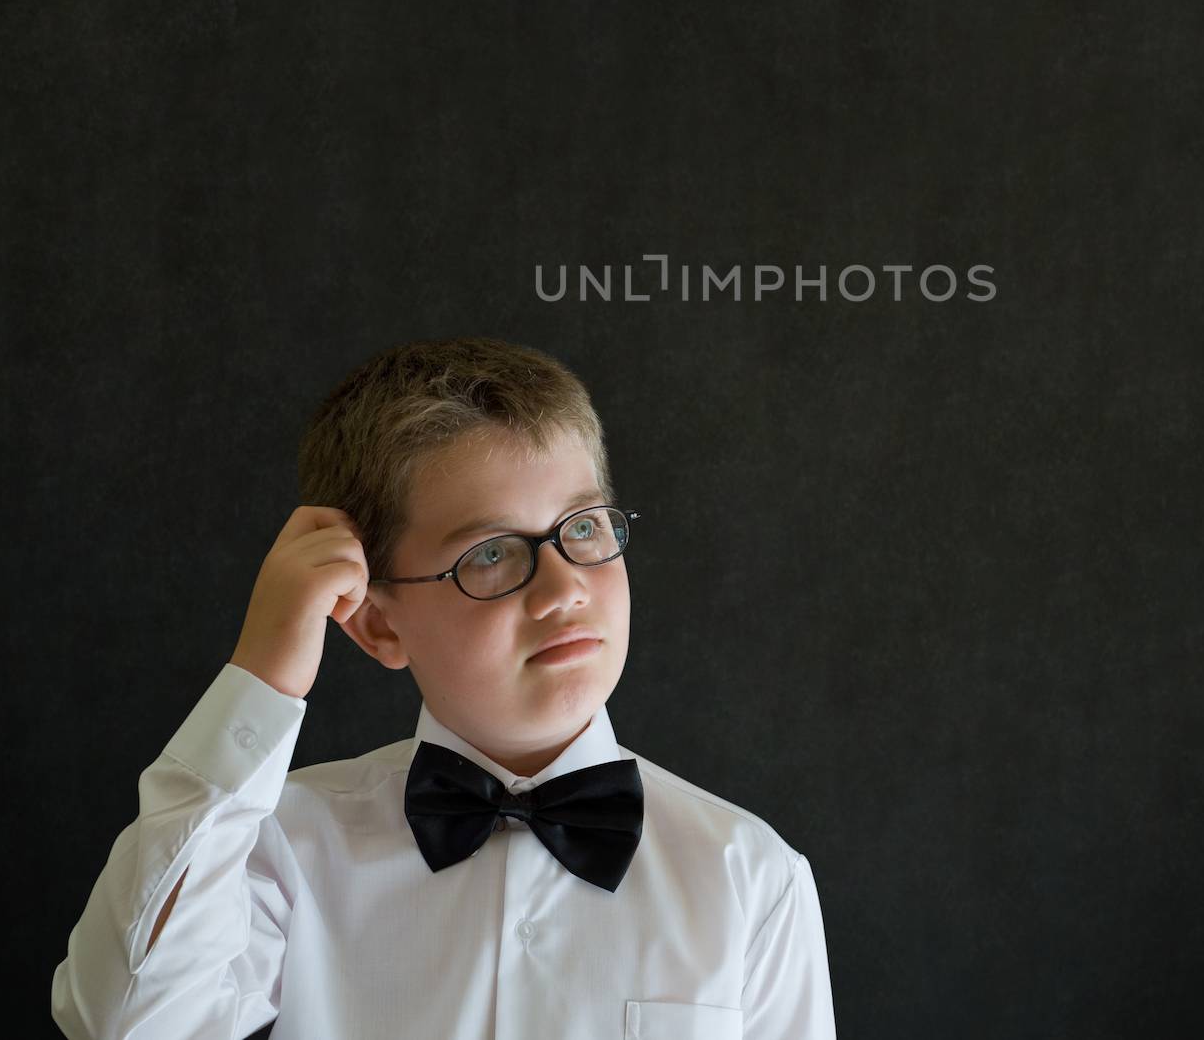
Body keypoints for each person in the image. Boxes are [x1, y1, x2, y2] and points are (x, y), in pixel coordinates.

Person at [51, 336, 836, 1040]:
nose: (563, 589)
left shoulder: (750, 875)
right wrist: (263, 676)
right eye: (491, 553)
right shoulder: (279, 848)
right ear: (378, 627)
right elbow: (129, 1022)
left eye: (585, 527)